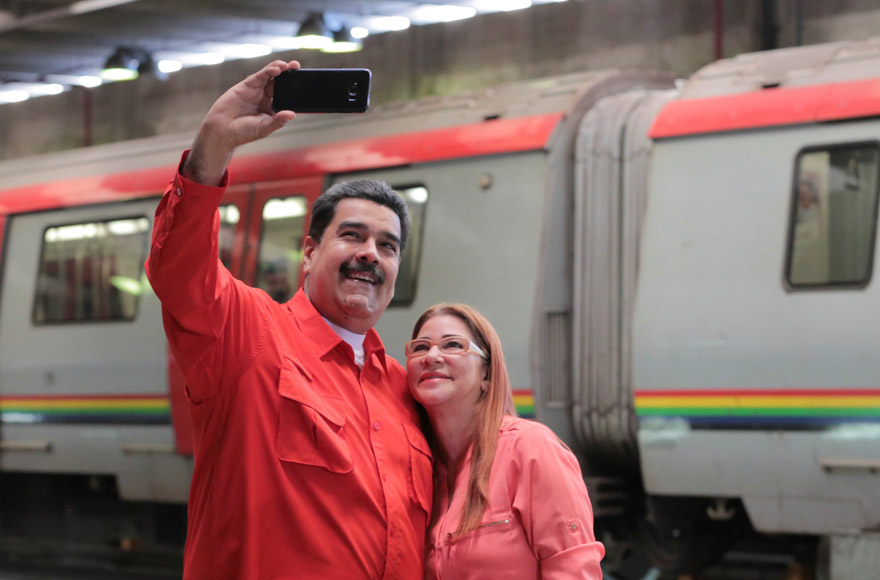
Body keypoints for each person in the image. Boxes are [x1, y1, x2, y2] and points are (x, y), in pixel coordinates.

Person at [145, 60, 432, 580]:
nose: (370, 254)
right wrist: (213, 148)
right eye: (352, 236)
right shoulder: (248, 334)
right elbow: (180, 271)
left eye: (387, 246)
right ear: (308, 254)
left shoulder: (402, 387)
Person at [405, 303, 605, 579]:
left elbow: (573, 569)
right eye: (420, 347)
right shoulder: (415, 468)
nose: (431, 356)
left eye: (452, 345)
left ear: (486, 373)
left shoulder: (530, 447)